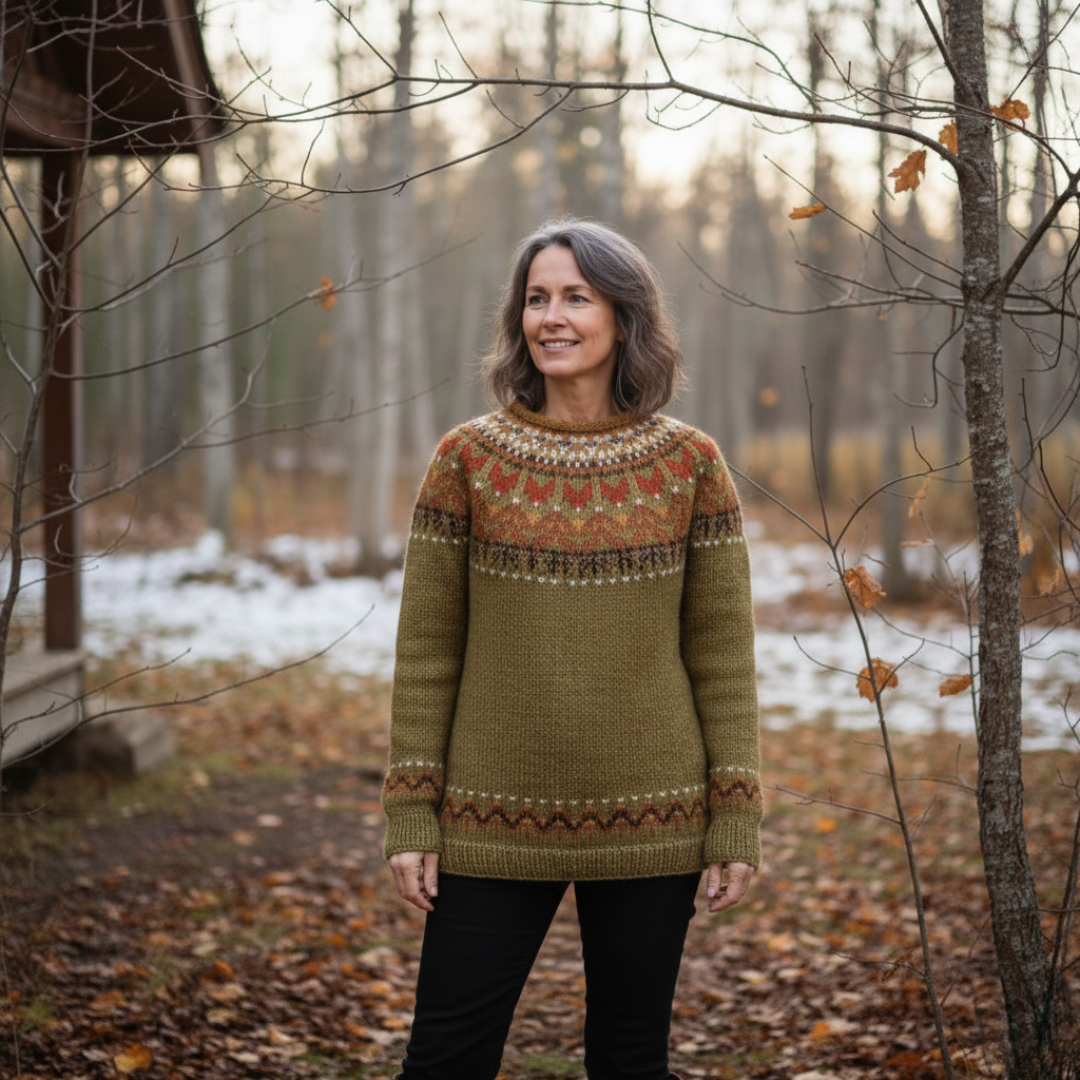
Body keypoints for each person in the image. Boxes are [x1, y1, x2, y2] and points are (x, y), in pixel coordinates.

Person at [382, 218, 761, 1080]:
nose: (550, 316)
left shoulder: (690, 465)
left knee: (630, 1061)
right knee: (443, 1059)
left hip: (654, 817)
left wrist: (735, 814)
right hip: (488, 817)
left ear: (624, 319)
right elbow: (428, 653)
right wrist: (412, 811)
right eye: (536, 298)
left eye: (576, 298)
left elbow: (723, 657)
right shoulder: (467, 460)